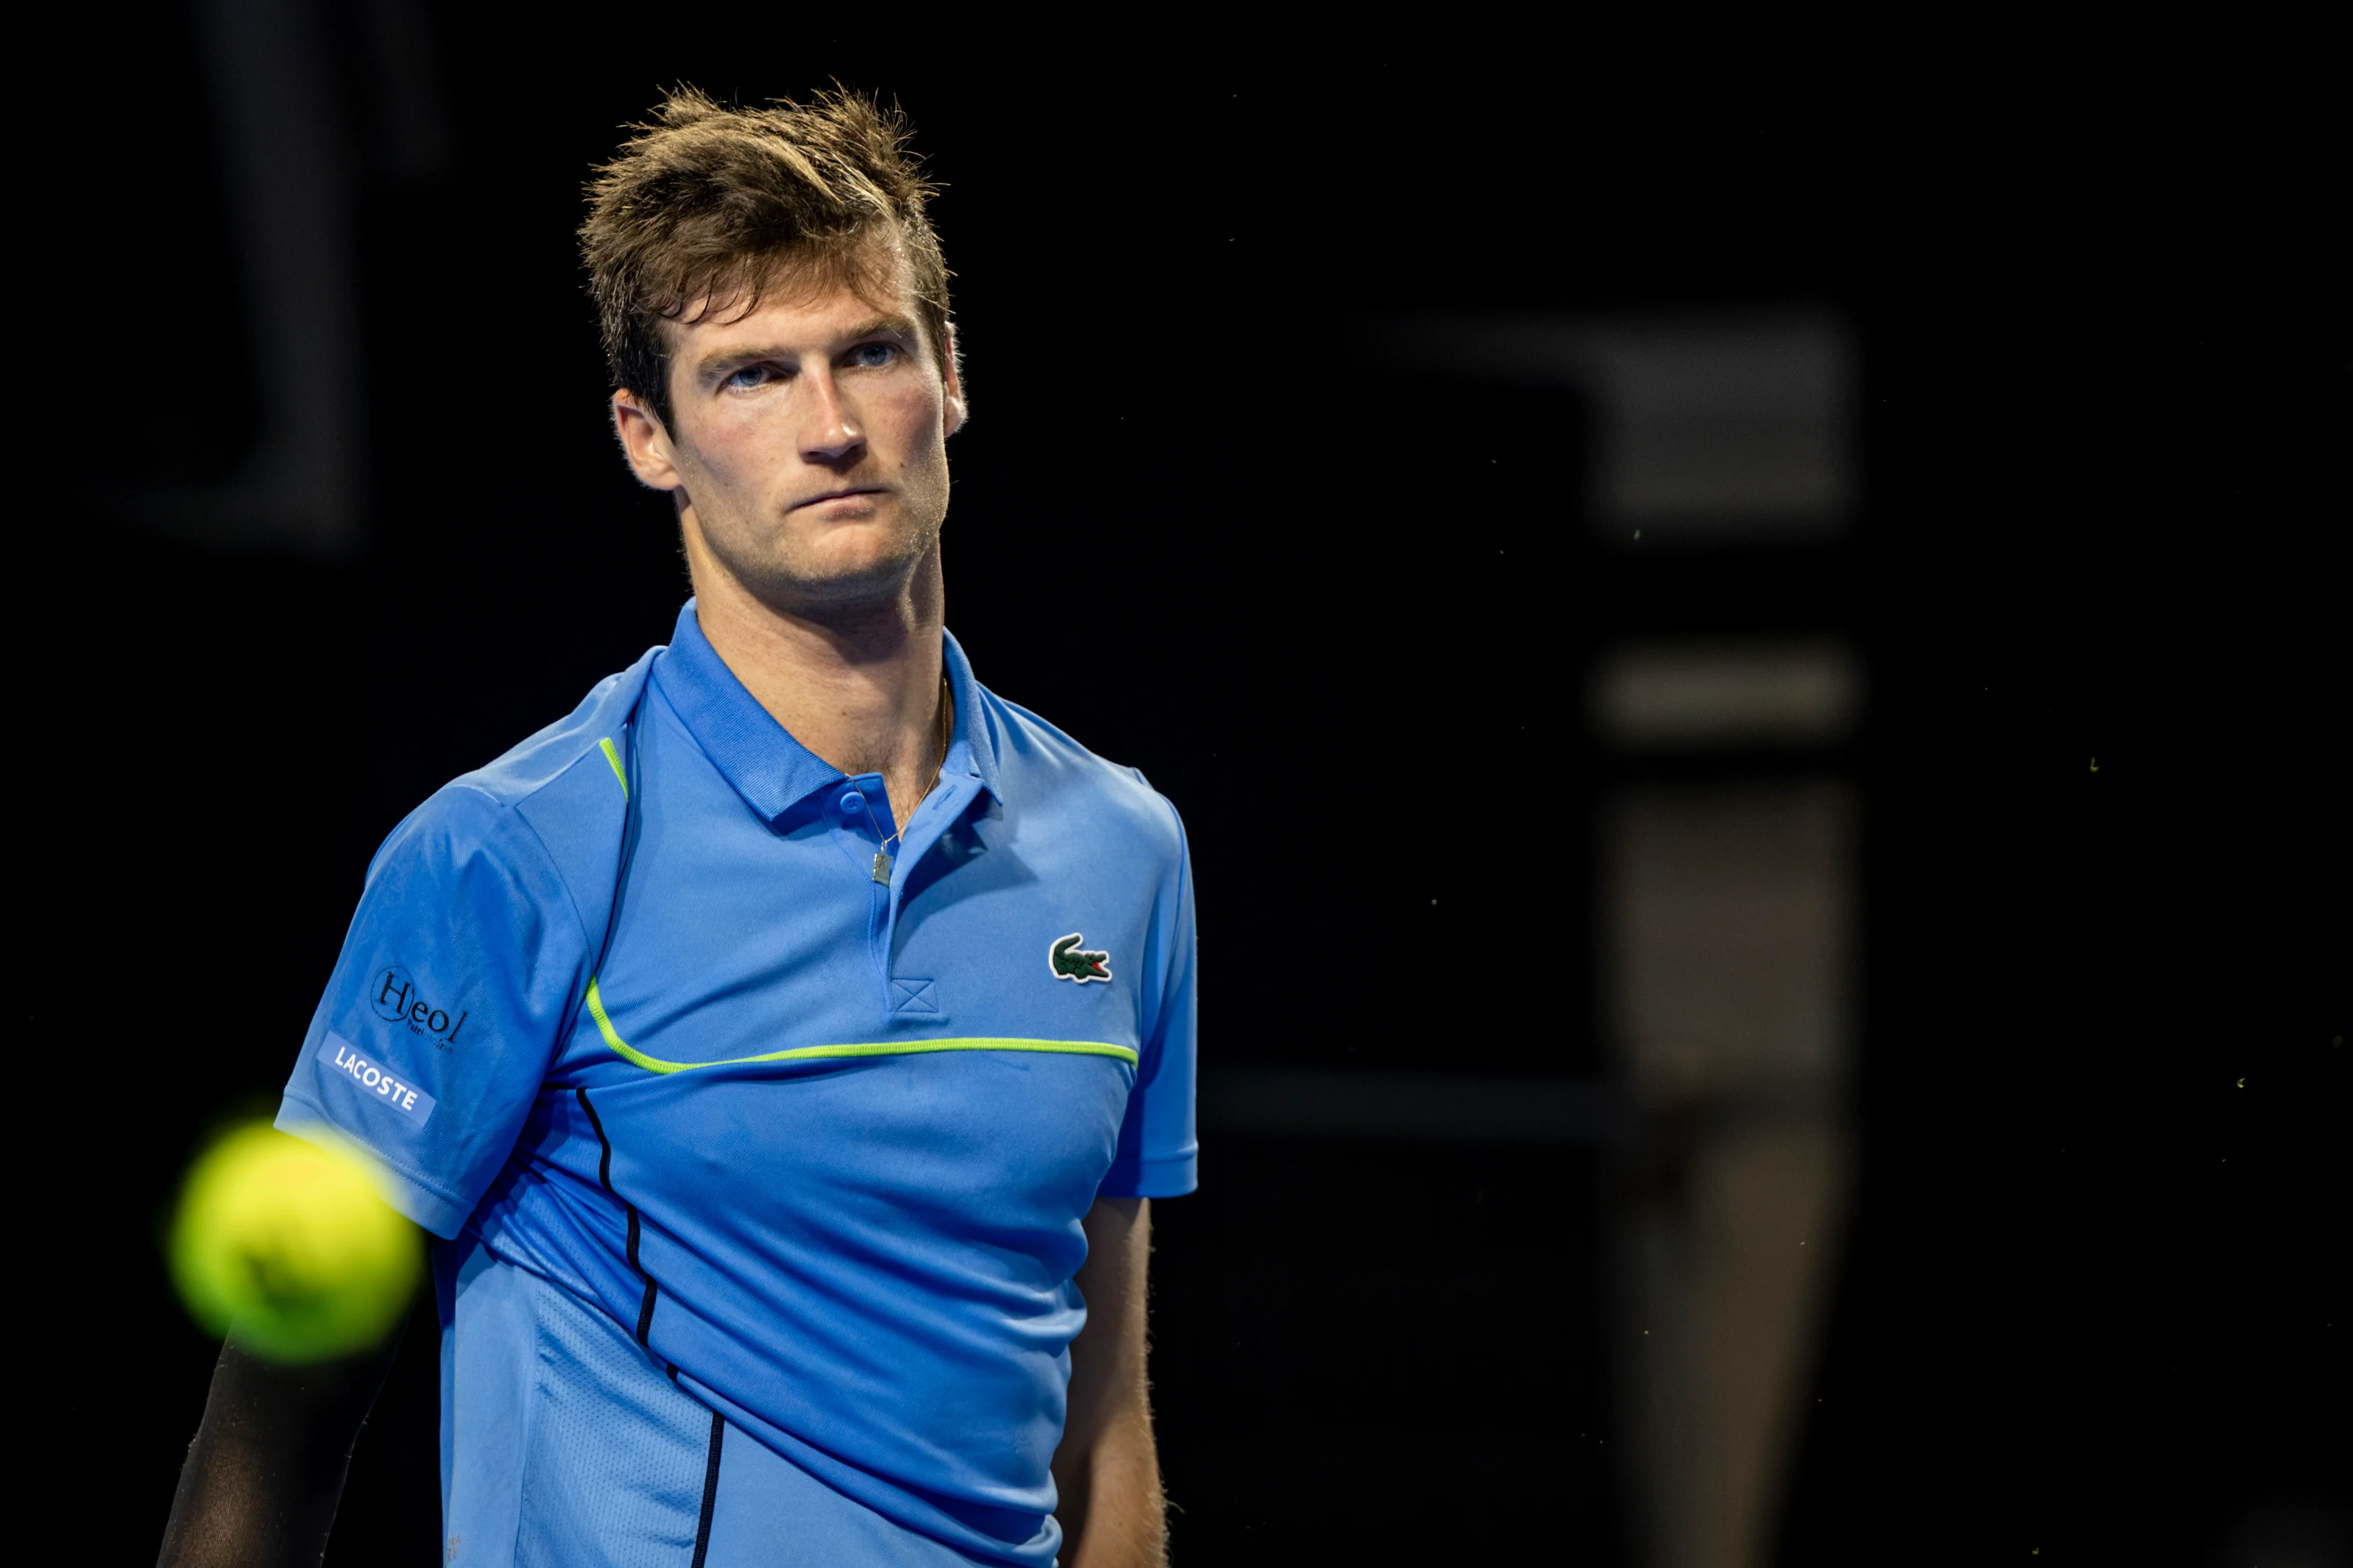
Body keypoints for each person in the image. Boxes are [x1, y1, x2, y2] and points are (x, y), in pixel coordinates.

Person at [157, 86, 1198, 1568]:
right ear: (648, 435)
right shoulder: (506, 853)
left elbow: (1101, 1415)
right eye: (751, 375)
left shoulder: (1124, 848)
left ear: (950, 376)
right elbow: (275, 1418)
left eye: (870, 353)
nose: (830, 426)